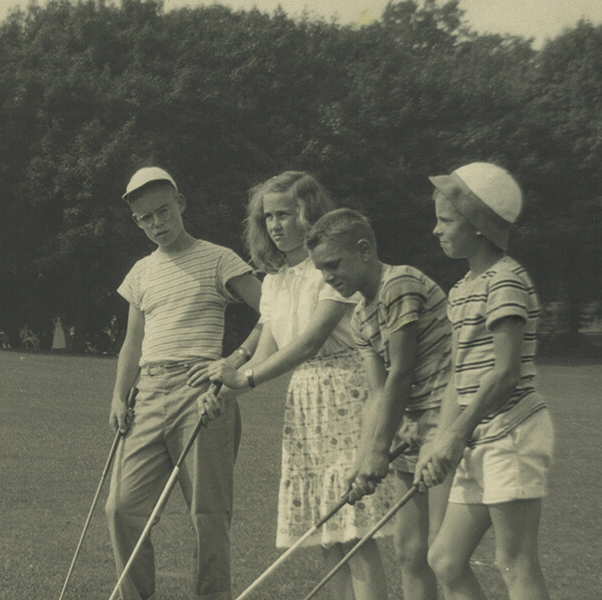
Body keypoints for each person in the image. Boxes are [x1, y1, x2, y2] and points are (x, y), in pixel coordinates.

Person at [197, 172, 393, 600]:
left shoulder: (330, 267)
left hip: (348, 392)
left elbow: (311, 340)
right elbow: (266, 352)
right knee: (326, 533)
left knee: (355, 531)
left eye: (285, 214)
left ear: (308, 215)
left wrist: (244, 376)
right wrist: (223, 394)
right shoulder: (275, 281)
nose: (275, 225)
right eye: (268, 217)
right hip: (305, 405)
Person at [105, 166, 262, 600]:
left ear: (181, 204)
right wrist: (119, 396)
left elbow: (275, 313)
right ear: (136, 222)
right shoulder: (140, 272)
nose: (157, 224)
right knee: (121, 508)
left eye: (163, 211)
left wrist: (234, 360)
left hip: (202, 393)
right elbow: (131, 343)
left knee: (208, 516)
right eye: (145, 219)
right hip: (149, 395)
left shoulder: (218, 257)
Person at [416, 163, 554, 600]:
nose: (436, 230)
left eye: (446, 220)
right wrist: (437, 441)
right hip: (477, 435)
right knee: (445, 560)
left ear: (477, 225)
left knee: (514, 562)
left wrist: (455, 435)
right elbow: (460, 376)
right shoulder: (461, 290)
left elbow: (505, 373)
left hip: (512, 432)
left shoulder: (506, 281)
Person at [306, 208, 453, 600]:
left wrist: (379, 451)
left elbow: (401, 372)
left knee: (442, 552)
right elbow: (376, 393)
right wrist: (362, 462)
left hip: (448, 424)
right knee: (410, 551)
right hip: (412, 432)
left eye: (333, 264)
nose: (328, 276)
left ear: (364, 250)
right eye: (321, 270)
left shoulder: (399, 283)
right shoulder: (359, 317)